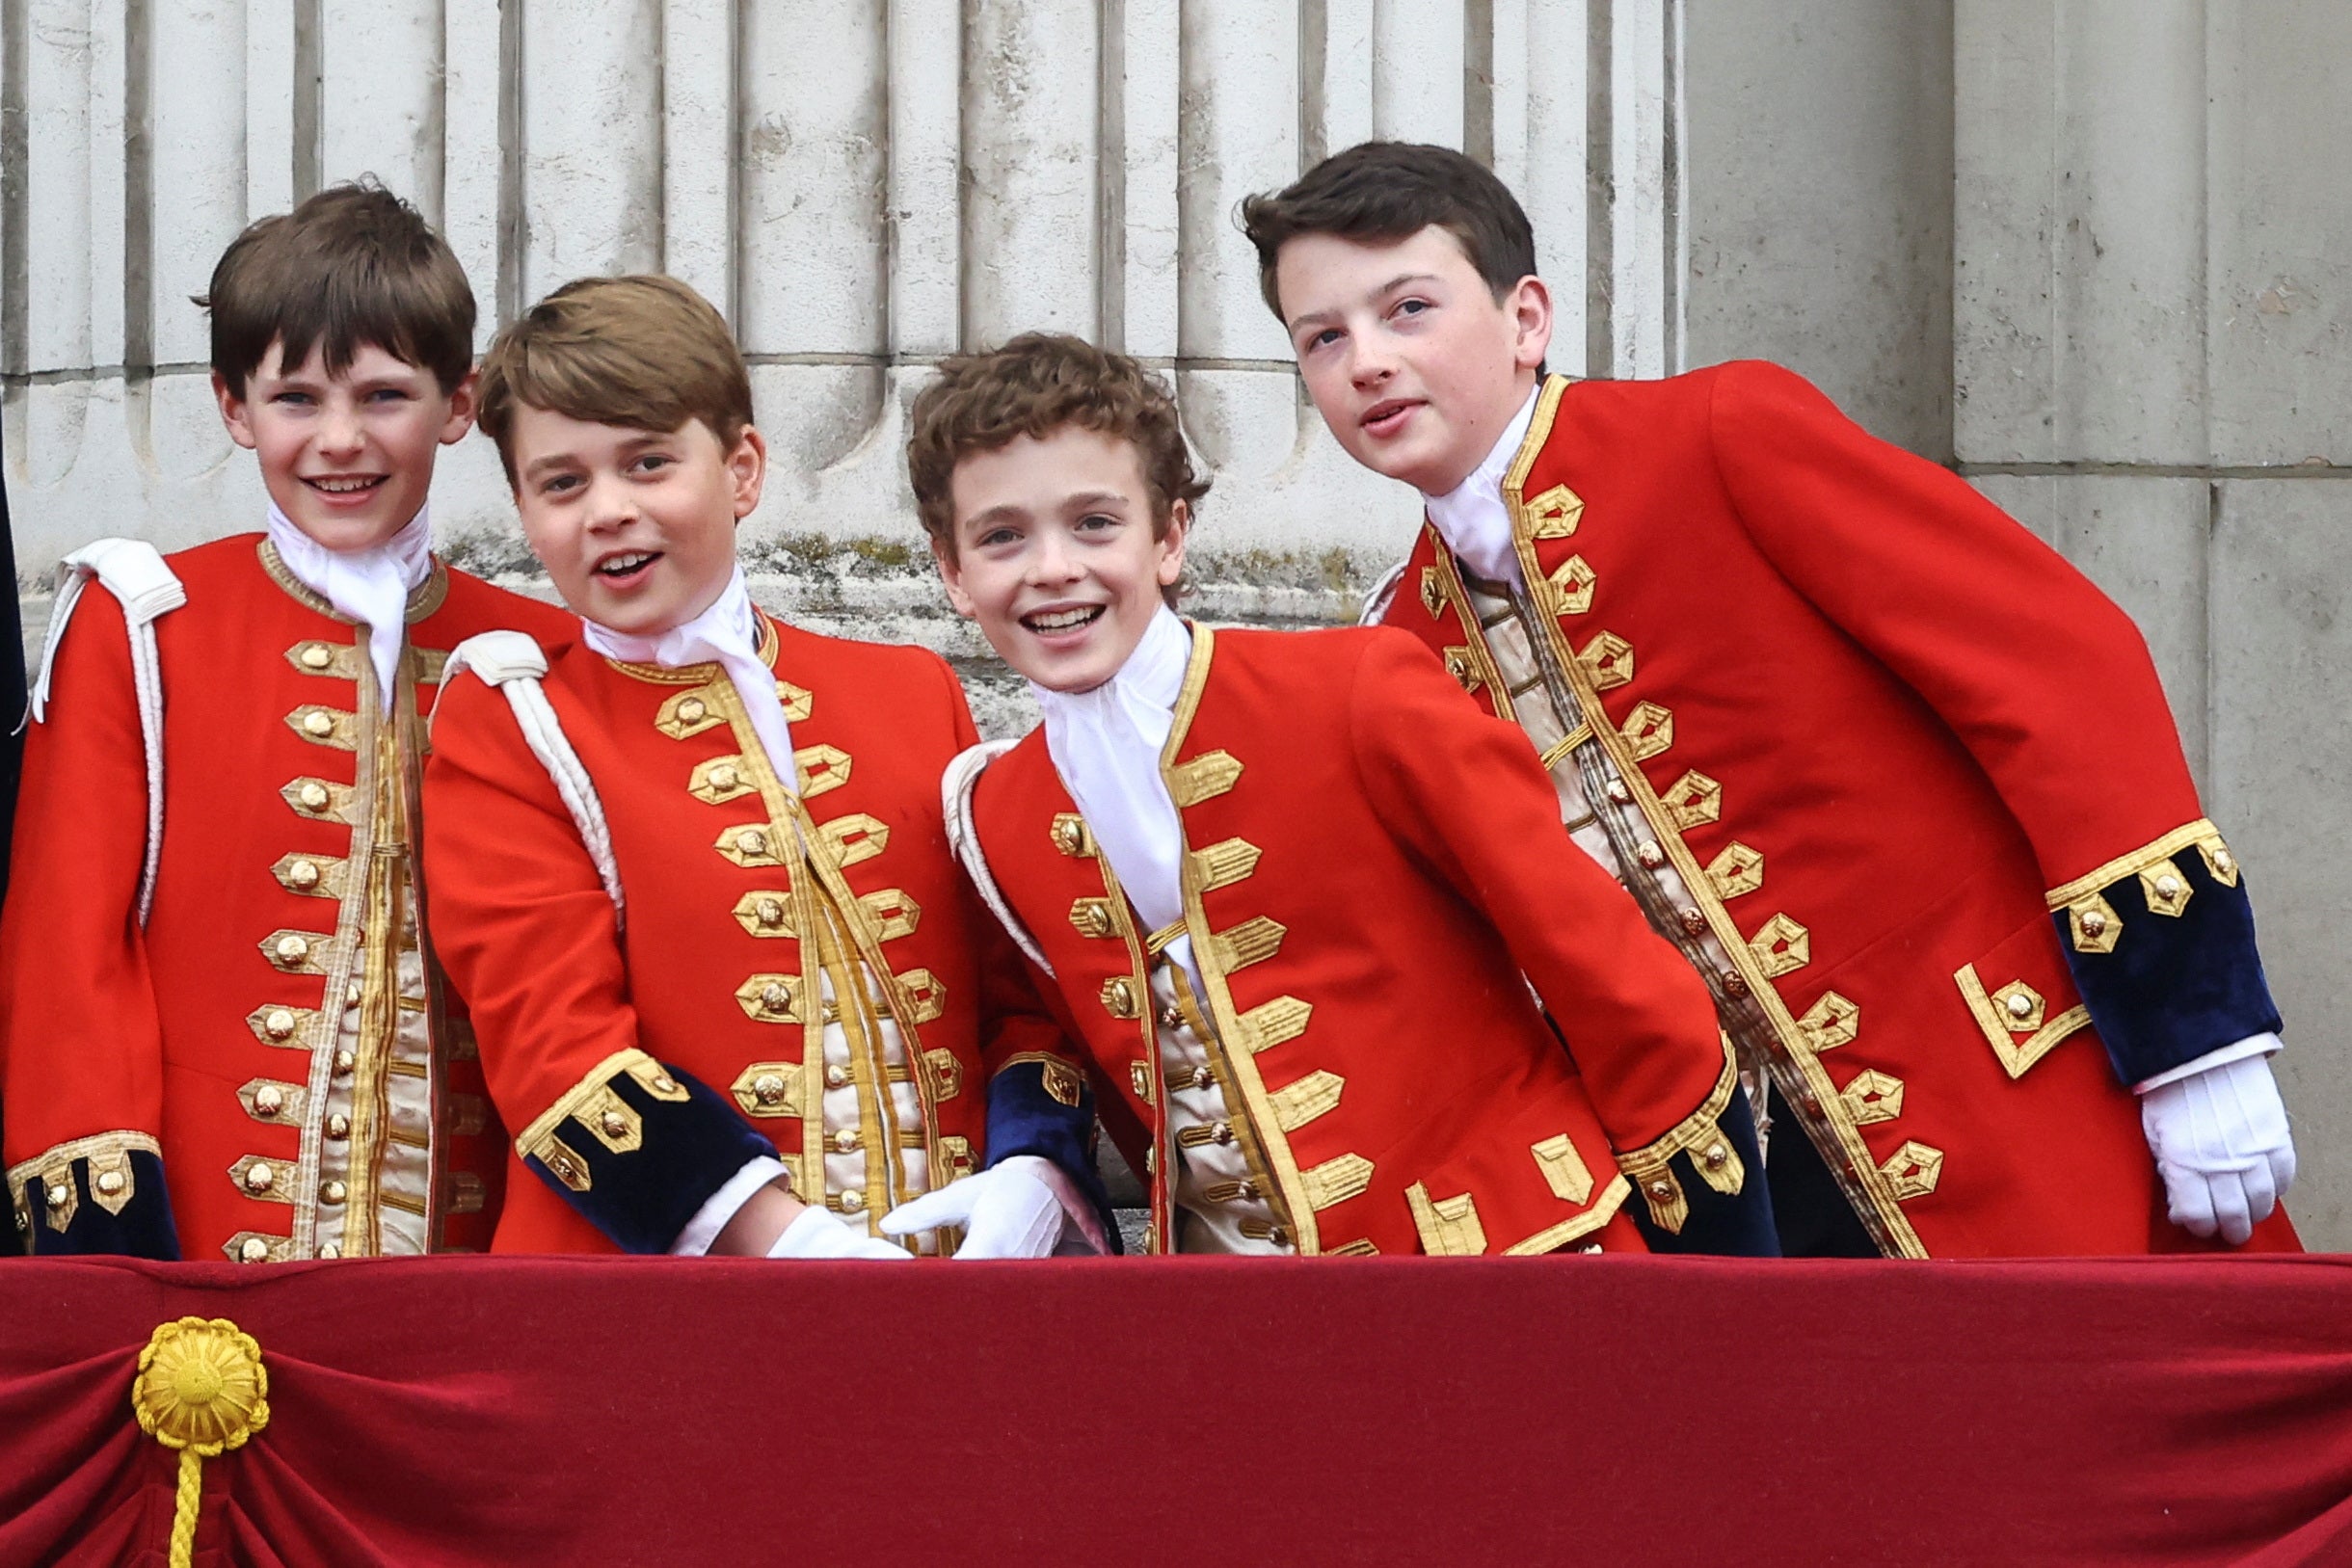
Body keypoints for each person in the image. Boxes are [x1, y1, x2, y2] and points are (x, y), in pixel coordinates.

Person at [1241, 141, 2298, 1257]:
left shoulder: (1717, 433)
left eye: (1407, 308)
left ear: (1526, 319)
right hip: (1745, 1215)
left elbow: (2062, 668)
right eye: (1324, 338)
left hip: (2014, 1092)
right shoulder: (1407, 637)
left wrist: (2195, 1033)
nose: (1366, 360)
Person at [899, 332, 1777, 1258]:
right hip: (1238, 1335)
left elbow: (1605, 968)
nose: (1051, 568)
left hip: (1513, 1267)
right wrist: (1037, 1167)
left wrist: (1715, 1269)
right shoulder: (994, 812)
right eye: (1002, 536)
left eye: (1095, 523)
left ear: (1168, 537)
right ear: (953, 571)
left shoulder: (1359, 687)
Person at [423, 277, 1108, 1259]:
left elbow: (1020, 999)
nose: (608, 509)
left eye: (649, 462)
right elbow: (553, 1050)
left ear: (742, 469)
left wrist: (1036, 1171)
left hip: (954, 1296)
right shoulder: (512, 720)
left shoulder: (910, 692)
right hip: (650, 1313)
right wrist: (786, 1244)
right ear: (525, 510)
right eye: (561, 482)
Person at [2, 182, 575, 1262]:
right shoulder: (140, 627)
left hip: (478, 1284)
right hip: (206, 1280)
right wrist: (117, 1270)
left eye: (385, 396)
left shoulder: (543, 653)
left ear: (460, 405)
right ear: (234, 408)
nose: (341, 440)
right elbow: (69, 962)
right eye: (297, 399)